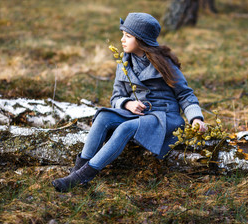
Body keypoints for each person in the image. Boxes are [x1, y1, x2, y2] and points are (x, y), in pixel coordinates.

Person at [52, 12, 206, 192]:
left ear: (140, 40)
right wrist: (127, 104)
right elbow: (115, 97)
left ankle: (82, 176)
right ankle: (77, 170)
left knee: (125, 128)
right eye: (122, 34)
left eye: (128, 36)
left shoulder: (164, 64)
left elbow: (185, 94)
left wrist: (196, 118)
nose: (122, 40)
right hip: (137, 113)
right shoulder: (124, 63)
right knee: (103, 117)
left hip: (164, 118)